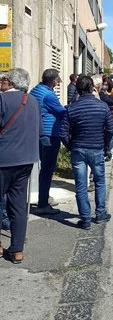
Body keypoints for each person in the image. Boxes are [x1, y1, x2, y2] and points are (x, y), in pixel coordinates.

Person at [60, 75, 113, 229]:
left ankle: (85, 219)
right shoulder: (102, 106)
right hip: (96, 148)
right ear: (93, 88)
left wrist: (71, 146)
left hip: (78, 149)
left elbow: (63, 133)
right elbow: (110, 129)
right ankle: (100, 214)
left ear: (77, 89)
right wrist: (105, 145)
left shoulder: (71, 108)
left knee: (81, 185)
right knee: (99, 182)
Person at [0, 68, 41, 263]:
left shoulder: (2, 99)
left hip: (3, 159)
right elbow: (38, 130)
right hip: (26, 160)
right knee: (18, 205)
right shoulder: (32, 101)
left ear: (9, 82)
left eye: (3, 80)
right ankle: (17, 250)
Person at [30, 68, 66, 215]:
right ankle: (43, 204)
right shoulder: (49, 95)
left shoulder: (35, 90)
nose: (57, 84)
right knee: (47, 169)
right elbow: (62, 112)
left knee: (43, 168)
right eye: (57, 81)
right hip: (49, 134)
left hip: (38, 133)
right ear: (53, 81)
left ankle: (44, 196)